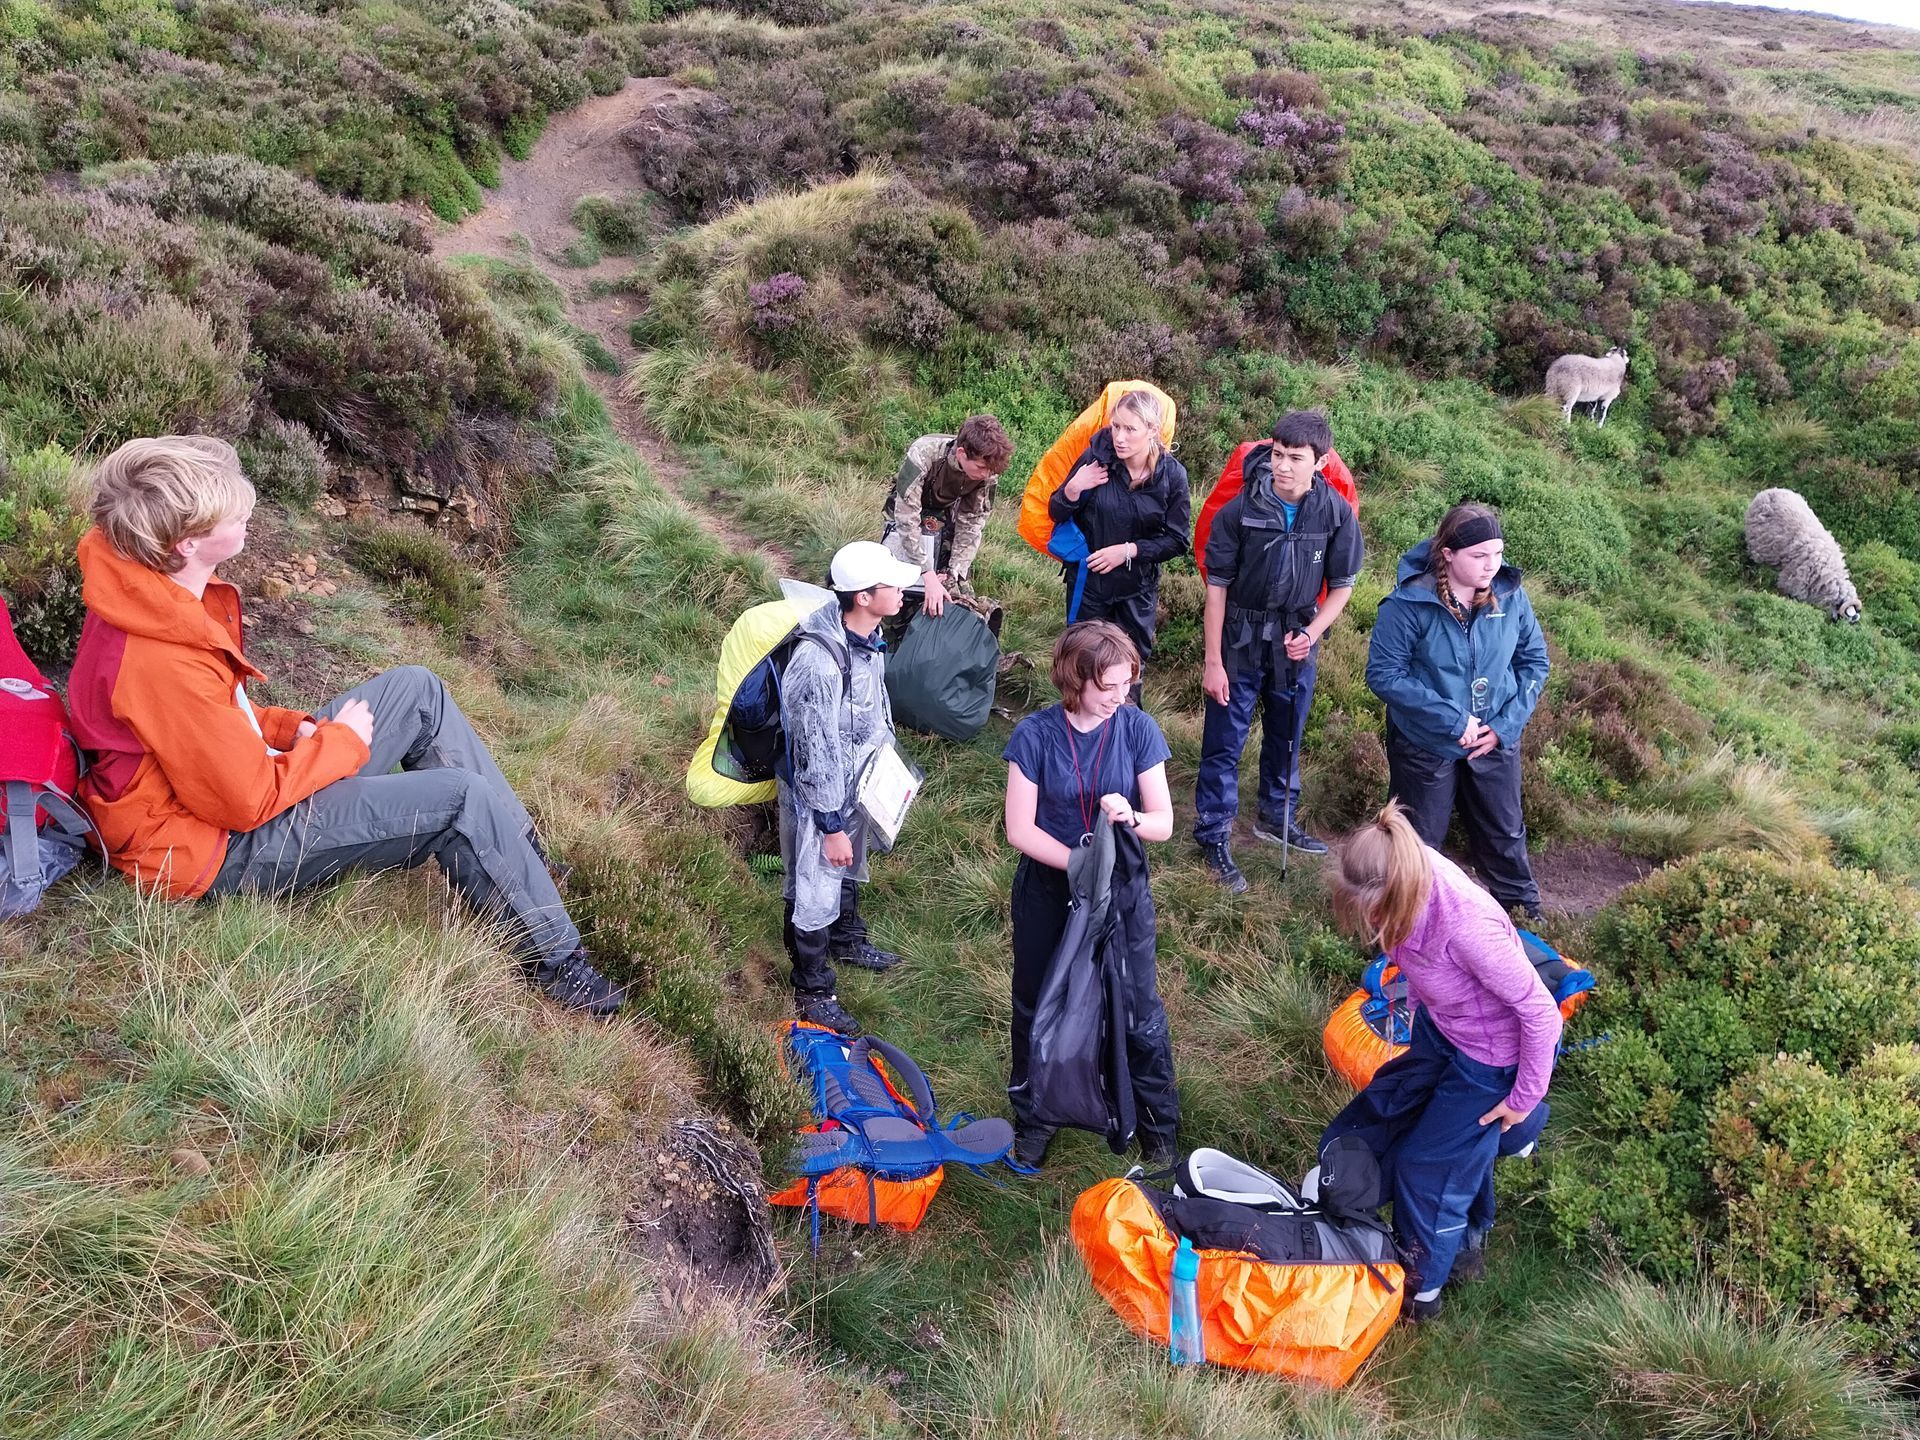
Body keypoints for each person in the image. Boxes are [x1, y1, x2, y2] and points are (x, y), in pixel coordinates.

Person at [66, 435, 622, 1014]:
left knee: (417, 690)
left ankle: (521, 857)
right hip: (209, 850)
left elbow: (215, 717)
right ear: (187, 544)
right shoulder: (159, 656)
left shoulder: (149, 590)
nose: (249, 508)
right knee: (460, 801)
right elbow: (245, 801)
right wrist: (338, 743)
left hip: (224, 794)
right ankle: (560, 967)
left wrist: (292, 730)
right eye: (233, 510)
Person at [1320, 801, 1562, 1322]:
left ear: (1401, 890)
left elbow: (1542, 1015)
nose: (1374, 926)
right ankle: (1469, 1235)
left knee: (1424, 1169)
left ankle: (1420, 1294)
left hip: (1490, 1060)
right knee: (1385, 1110)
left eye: (1377, 914)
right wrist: (1414, 1010)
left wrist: (1521, 1100)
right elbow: (1413, 958)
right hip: (1442, 1030)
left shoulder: (1466, 928)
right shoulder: (1399, 862)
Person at [1002, 621, 1180, 1171]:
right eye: (1109, 687)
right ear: (1074, 679)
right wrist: (1078, 862)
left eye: (1127, 684)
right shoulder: (1033, 737)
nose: (1120, 697)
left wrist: (1132, 817)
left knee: (1136, 1007)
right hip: (1049, 895)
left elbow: (1164, 822)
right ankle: (1035, 1119)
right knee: (1039, 1002)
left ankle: (1157, 1127)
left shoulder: (1138, 729)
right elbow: (1020, 830)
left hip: (1121, 894)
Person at [1193, 411, 1364, 893]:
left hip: (1295, 642)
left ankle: (1276, 818)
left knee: (1288, 735)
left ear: (1321, 462)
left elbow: (1344, 586)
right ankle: (1212, 833)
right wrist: (1213, 661)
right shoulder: (1238, 511)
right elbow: (1216, 590)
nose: (1282, 466)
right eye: (1277, 455)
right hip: (1239, 638)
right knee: (1225, 741)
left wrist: (1311, 633)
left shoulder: (1333, 512)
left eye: (1295, 458)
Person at [1365, 502, 1549, 922]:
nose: (1492, 566)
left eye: (1498, 553)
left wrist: (1505, 725)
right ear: (1448, 554)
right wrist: (1453, 720)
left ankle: (1523, 916)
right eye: (1479, 556)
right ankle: (1406, 925)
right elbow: (1384, 675)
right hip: (1426, 742)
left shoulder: (1511, 595)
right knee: (1419, 843)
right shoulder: (1408, 603)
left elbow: (1535, 661)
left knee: (1504, 833)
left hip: (1495, 738)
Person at [778, 540, 920, 1037]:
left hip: (857, 786)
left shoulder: (870, 637)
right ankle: (814, 990)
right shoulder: (818, 662)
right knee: (815, 881)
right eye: (891, 584)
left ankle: (846, 937)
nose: (903, 590)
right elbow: (813, 754)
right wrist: (831, 824)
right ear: (861, 595)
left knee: (847, 865)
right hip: (823, 803)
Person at [1045, 388, 1190, 668]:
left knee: (1130, 667)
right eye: (1116, 426)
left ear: (1152, 430)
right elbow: (1056, 511)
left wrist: (1127, 551)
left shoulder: (1172, 475)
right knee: (1081, 662)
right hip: (1089, 585)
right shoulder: (1096, 458)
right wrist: (1075, 487)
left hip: (1137, 589)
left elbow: (1177, 540)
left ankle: (1123, 713)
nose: (1119, 437)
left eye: (1130, 429)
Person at [880, 415, 1014, 621]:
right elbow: (906, 517)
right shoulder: (924, 453)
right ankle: (890, 622)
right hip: (908, 506)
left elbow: (972, 523)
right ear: (961, 453)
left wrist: (954, 572)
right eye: (980, 468)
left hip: (946, 511)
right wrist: (927, 574)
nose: (987, 475)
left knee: (954, 582)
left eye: (990, 471)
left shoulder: (988, 469)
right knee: (899, 574)